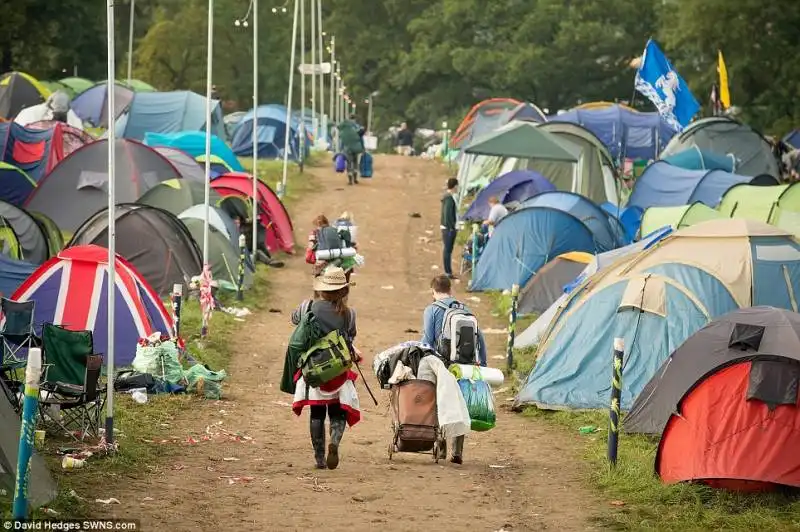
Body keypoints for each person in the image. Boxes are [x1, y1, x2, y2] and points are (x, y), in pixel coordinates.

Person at [280, 267, 361, 469]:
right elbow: (350, 337)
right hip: (339, 371)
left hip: (315, 370)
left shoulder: (308, 307)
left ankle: (319, 458)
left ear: (322, 289)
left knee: (317, 413)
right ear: (344, 290)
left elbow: (294, 321)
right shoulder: (349, 314)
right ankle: (335, 441)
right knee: (337, 411)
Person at [421, 274, 487, 464]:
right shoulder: (465, 309)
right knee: (460, 403)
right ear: (450, 290)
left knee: (439, 399)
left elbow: (427, 340)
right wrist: (482, 364)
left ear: (433, 291)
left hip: (442, 362)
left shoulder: (431, 309)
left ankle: (440, 442)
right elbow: (479, 338)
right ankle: (457, 451)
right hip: (465, 363)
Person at [306, 214, 357, 281]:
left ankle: (318, 282)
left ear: (318, 224)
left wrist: (311, 250)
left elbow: (311, 246)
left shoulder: (315, 232)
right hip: (338, 257)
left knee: (316, 272)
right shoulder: (335, 229)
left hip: (323, 258)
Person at [336, 115, 365, 185]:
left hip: (347, 148)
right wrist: (363, 148)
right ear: (355, 119)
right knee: (355, 163)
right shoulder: (357, 127)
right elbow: (361, 139)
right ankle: (355, 179)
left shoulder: (344, 129)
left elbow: (343, 140)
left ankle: (350, 180)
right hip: (356, 148)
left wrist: (341, 149)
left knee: (349, 163)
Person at [441, 178, 459, 279]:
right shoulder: (449, 198)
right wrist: (451, 227)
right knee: (447, 250)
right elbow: (448, 214)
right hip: (448, 228)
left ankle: (448, 271)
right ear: (455, 186)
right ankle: (448, 272)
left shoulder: (448, 197)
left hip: (448, 227)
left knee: (448, 249)